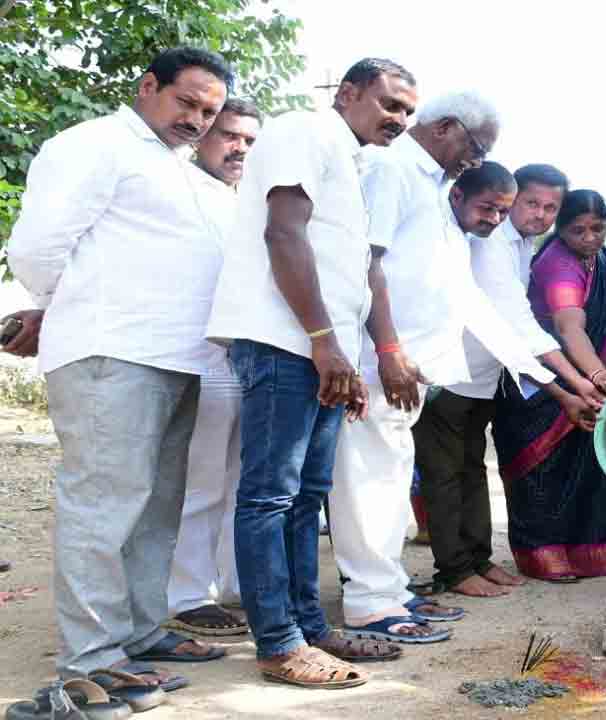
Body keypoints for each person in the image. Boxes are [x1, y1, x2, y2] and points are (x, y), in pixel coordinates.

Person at [8, 46, 232, 687]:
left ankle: (138, 631)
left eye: (208, 111)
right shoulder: (94, 144)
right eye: (186, 101)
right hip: (112, 353)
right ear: (147, 86)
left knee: (156, 511)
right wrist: (62, 305)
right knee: (102, 510)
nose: (196, 119)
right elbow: (38, 247)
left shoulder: (181, 170)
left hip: (178, 358)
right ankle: (92, 660)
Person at [205, 57, 419, 687]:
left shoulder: (352, 164)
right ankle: (277, 643)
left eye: (408, 111)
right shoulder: (303, 130)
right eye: (390, 105)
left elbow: (347, 272)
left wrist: (344, 359)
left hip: (319, 347)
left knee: (306, 494)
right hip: (283, 341)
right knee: (270, 494)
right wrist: (324, 343)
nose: (399, 120)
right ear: (347, 93)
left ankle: (309, 627)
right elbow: (284, 237)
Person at [329, 97, 543, 641]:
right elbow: (367, 263)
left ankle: (391, 591)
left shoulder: (430, 188)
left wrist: (542, 373)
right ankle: (371, 602)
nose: (476, 162)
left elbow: (461, 294)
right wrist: (388, 349)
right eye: (476, 149)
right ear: (447, 128)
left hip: (416, 370)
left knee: (393, 478)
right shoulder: (391, 167)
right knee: (369, 481)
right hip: (384, 363)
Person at [415, 162, 588, 599]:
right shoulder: (489, 244)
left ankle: (477, 558)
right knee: (444, 475)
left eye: (551, 207)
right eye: (532, 203)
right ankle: (453, 569)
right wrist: (569, 387)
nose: (541, 215)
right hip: (447, 376)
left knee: (473, 469)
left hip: (485, 377)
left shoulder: (522, 244)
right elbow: (519, 324)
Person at [491, 189, 606, 581]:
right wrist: (596, 376)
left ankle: (603, 551)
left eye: (598, 228)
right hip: (545, 383)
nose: (590, 237)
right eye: (578, 230)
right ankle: (544, 555)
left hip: (591, 376)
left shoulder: (605, 261)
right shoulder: (558, 264)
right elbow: (568, 325)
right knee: (547, 476)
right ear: (561, 229)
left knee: (593, 470)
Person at [165, 98, 262, 638]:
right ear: (203, 135)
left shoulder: (248, 202)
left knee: (244, 480)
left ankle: (235, 586)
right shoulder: (177, 189)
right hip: (196, 355)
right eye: (229, 135)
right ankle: (186, 595)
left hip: (246, 357)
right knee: (200, 482)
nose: (239, 148)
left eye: (249, 140)